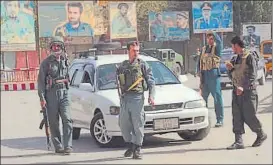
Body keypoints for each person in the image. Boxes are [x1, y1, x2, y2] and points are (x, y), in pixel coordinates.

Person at [225, 36, 267, 150]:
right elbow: (233, 76)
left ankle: (261, 134)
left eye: (232, 45)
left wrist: (243, 87)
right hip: (236, 92)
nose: (232, 48)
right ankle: (238, 141)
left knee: (249, 116)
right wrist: (230, 69)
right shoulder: (235, 59)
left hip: (248, 92)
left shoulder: (249, 57)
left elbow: (252, 75)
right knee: (236, 116)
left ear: (237, 45)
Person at [116, 41, 155, 159]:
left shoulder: (143, 65)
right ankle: (130, 145)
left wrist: (151, 96)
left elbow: (151, 81)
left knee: (138, 124)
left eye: (137, 50)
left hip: (137, 98)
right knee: (123, 124)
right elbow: (117, 81)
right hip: (125, 98)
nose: (136, 53)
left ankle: (137, 148)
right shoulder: (122, 65)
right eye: (133, 50)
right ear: (128, 51)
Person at [37, 36, 73, 155]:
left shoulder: (66, 60)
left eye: (58, 46)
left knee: (67, 119)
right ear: (51, 48)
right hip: (51, 94)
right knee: (53, 122)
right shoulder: (46, 63)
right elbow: (41, 82)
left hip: (64, 93)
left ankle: (68, 146)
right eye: (53, 46)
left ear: (62, 47)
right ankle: (58, 146)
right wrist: (42, 98)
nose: (56, 48)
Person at [197, 31, 224, 127]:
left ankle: (220, 119)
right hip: (204, 76)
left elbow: (219, 41)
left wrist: (213, 32)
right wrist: (199, 73)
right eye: (208, 38)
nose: (210, 40)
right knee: (203, 99)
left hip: (213, 75)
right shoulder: (204, 49)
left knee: (217, 98)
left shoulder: (217, 48)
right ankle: (205, 120)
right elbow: (199, 61)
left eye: (212, 38)